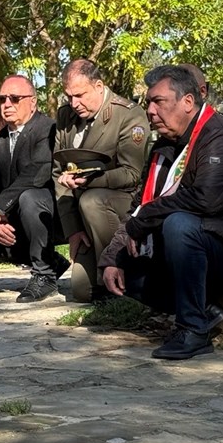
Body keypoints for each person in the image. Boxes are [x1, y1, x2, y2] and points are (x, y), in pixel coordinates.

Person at [100, 65, 223, 360]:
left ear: (188, 102)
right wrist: (111, 258)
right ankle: (205, 310)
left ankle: (192, 330)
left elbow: (205, 201)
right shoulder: (164, 147)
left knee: (179, 224)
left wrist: (143, 220)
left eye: (159, 101)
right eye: (148, 103)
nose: (150, 111)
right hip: (200, 248)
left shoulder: (220, 138)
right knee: (122, 271)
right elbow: (139, 207)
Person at [53, 58, 150, 302]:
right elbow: (58, 173)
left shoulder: (128, 114)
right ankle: (107, 279)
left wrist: (89, 181)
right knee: (82, 291)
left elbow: (131, 174)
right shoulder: (65, 116)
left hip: (121, 207)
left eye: (80, 95)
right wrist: (73, 229)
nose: (74, 103)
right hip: (83, 214)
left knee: (92, 200)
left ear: (98, 86)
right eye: (69, 96)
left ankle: (121, 270)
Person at [0, 75, 68, 303]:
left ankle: (44, 275)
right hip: (16, 217)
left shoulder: (48, 129)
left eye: (14, 98)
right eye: (2, 99)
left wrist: (0, 208)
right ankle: (53, 262)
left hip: (51, 214)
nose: (6, 104)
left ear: (33, 102)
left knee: (30, 197)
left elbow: (37, 173)